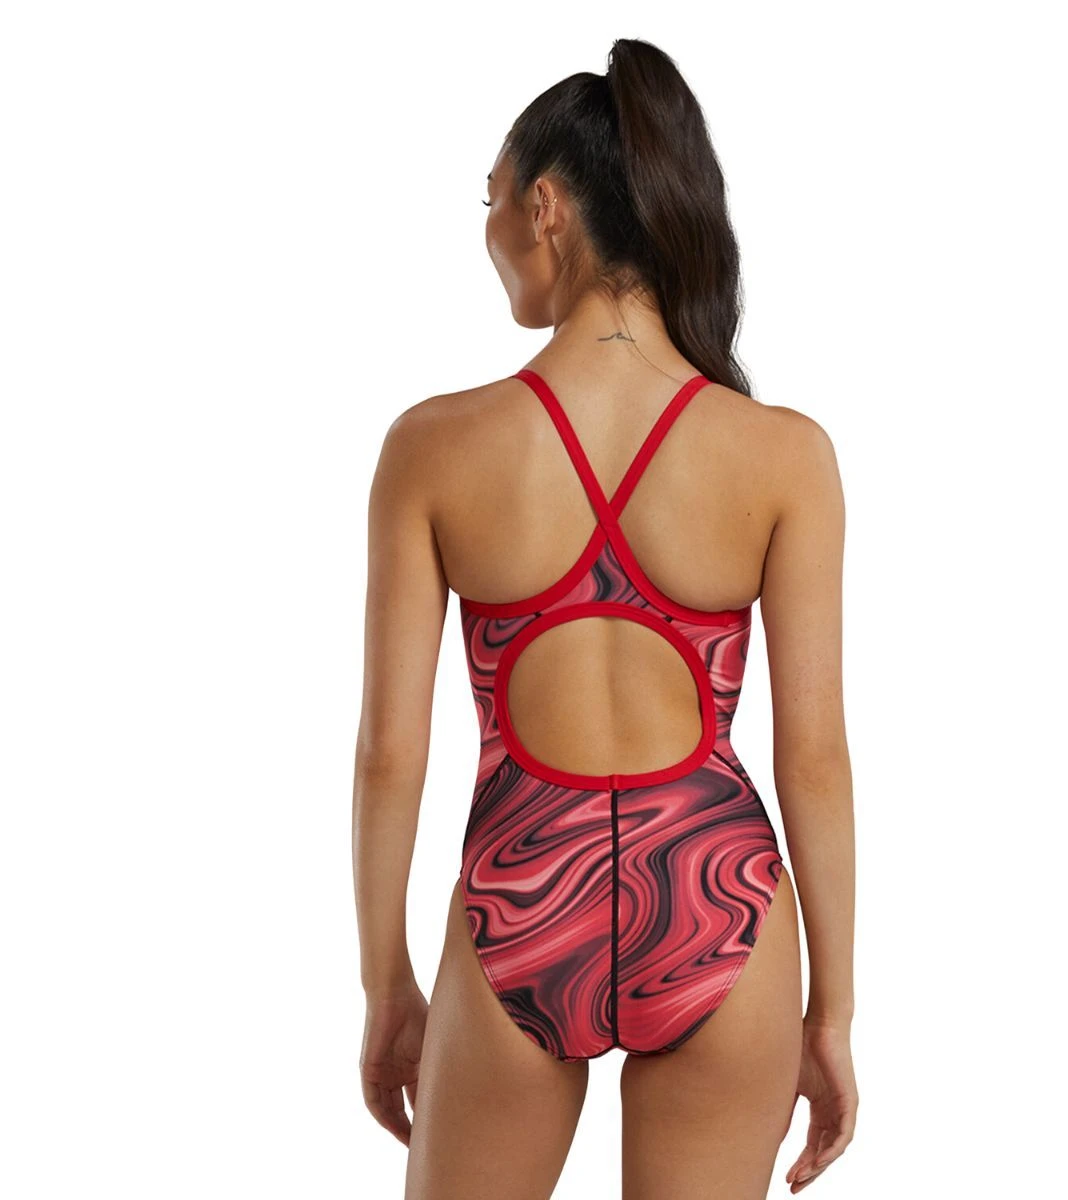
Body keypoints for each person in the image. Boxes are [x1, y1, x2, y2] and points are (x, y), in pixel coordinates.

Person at [352, 37, 857, 1199]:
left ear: (544, 208)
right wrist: (829, 1012)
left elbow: (389, 753)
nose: (488, 233)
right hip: (718, 900)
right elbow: (816, 759)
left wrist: (387, 987)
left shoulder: (432, 448)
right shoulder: (785, 456)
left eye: (489, 202)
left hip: (523, 896)